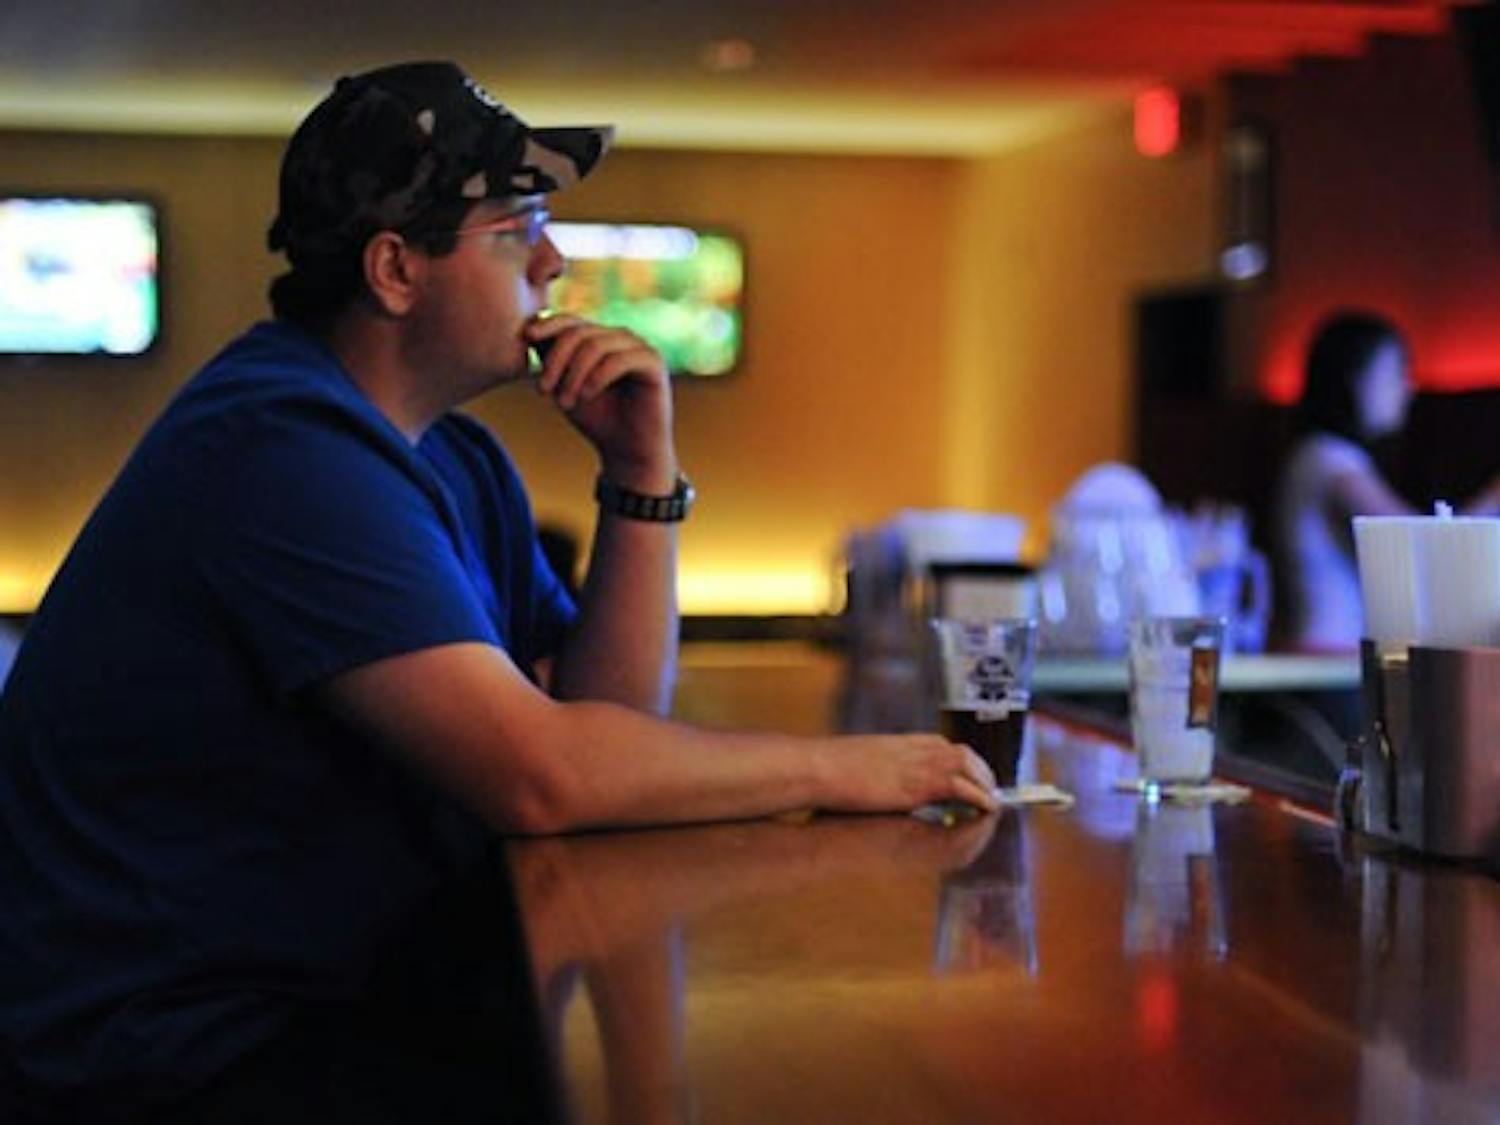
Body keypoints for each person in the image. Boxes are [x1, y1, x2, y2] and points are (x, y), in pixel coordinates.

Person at [0, 61, 997, 1113]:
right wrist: (854, 771)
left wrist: (639, 480)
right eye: (518, 227)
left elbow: (604, 730)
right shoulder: (279, 446)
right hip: (159, 1049)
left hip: (315, 997)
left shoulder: (450, 459)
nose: (557, 262)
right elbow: (545, 780)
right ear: (395, 268)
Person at [1274, 310, 1500, 650]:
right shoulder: (1330, 460)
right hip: (1328, 659)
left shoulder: (1322, 455)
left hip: (1331, 655)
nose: (1407, 389)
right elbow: (1421, 549)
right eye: (1396, 372)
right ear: (1355, 379)